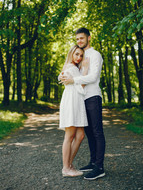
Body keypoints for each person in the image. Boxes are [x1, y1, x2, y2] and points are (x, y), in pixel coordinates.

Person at [60, 27, 106, 180]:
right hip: (80, 99)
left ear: (89, 38)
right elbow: (70, 72)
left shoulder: (95, 55)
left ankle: (99, 167)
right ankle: (93, 162)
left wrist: (74, 80)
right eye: (77, 39)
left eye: (82, 38)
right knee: (89, 133)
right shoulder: (81, 56)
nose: (79, 41)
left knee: (97, 131)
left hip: (92, 96)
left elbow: (93, 77)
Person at [58, 45, 89, 177]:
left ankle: (69, 165)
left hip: (76, 101)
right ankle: (66, 168)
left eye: (81, 55)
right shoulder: (71, 67)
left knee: (80, 135)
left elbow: (63, 78)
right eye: (76, 54)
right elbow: (82, 84)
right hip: (72, 101)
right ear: (71, 53)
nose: (79, 57)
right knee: (69, 136)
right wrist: (86, 69)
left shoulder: (73, 68)